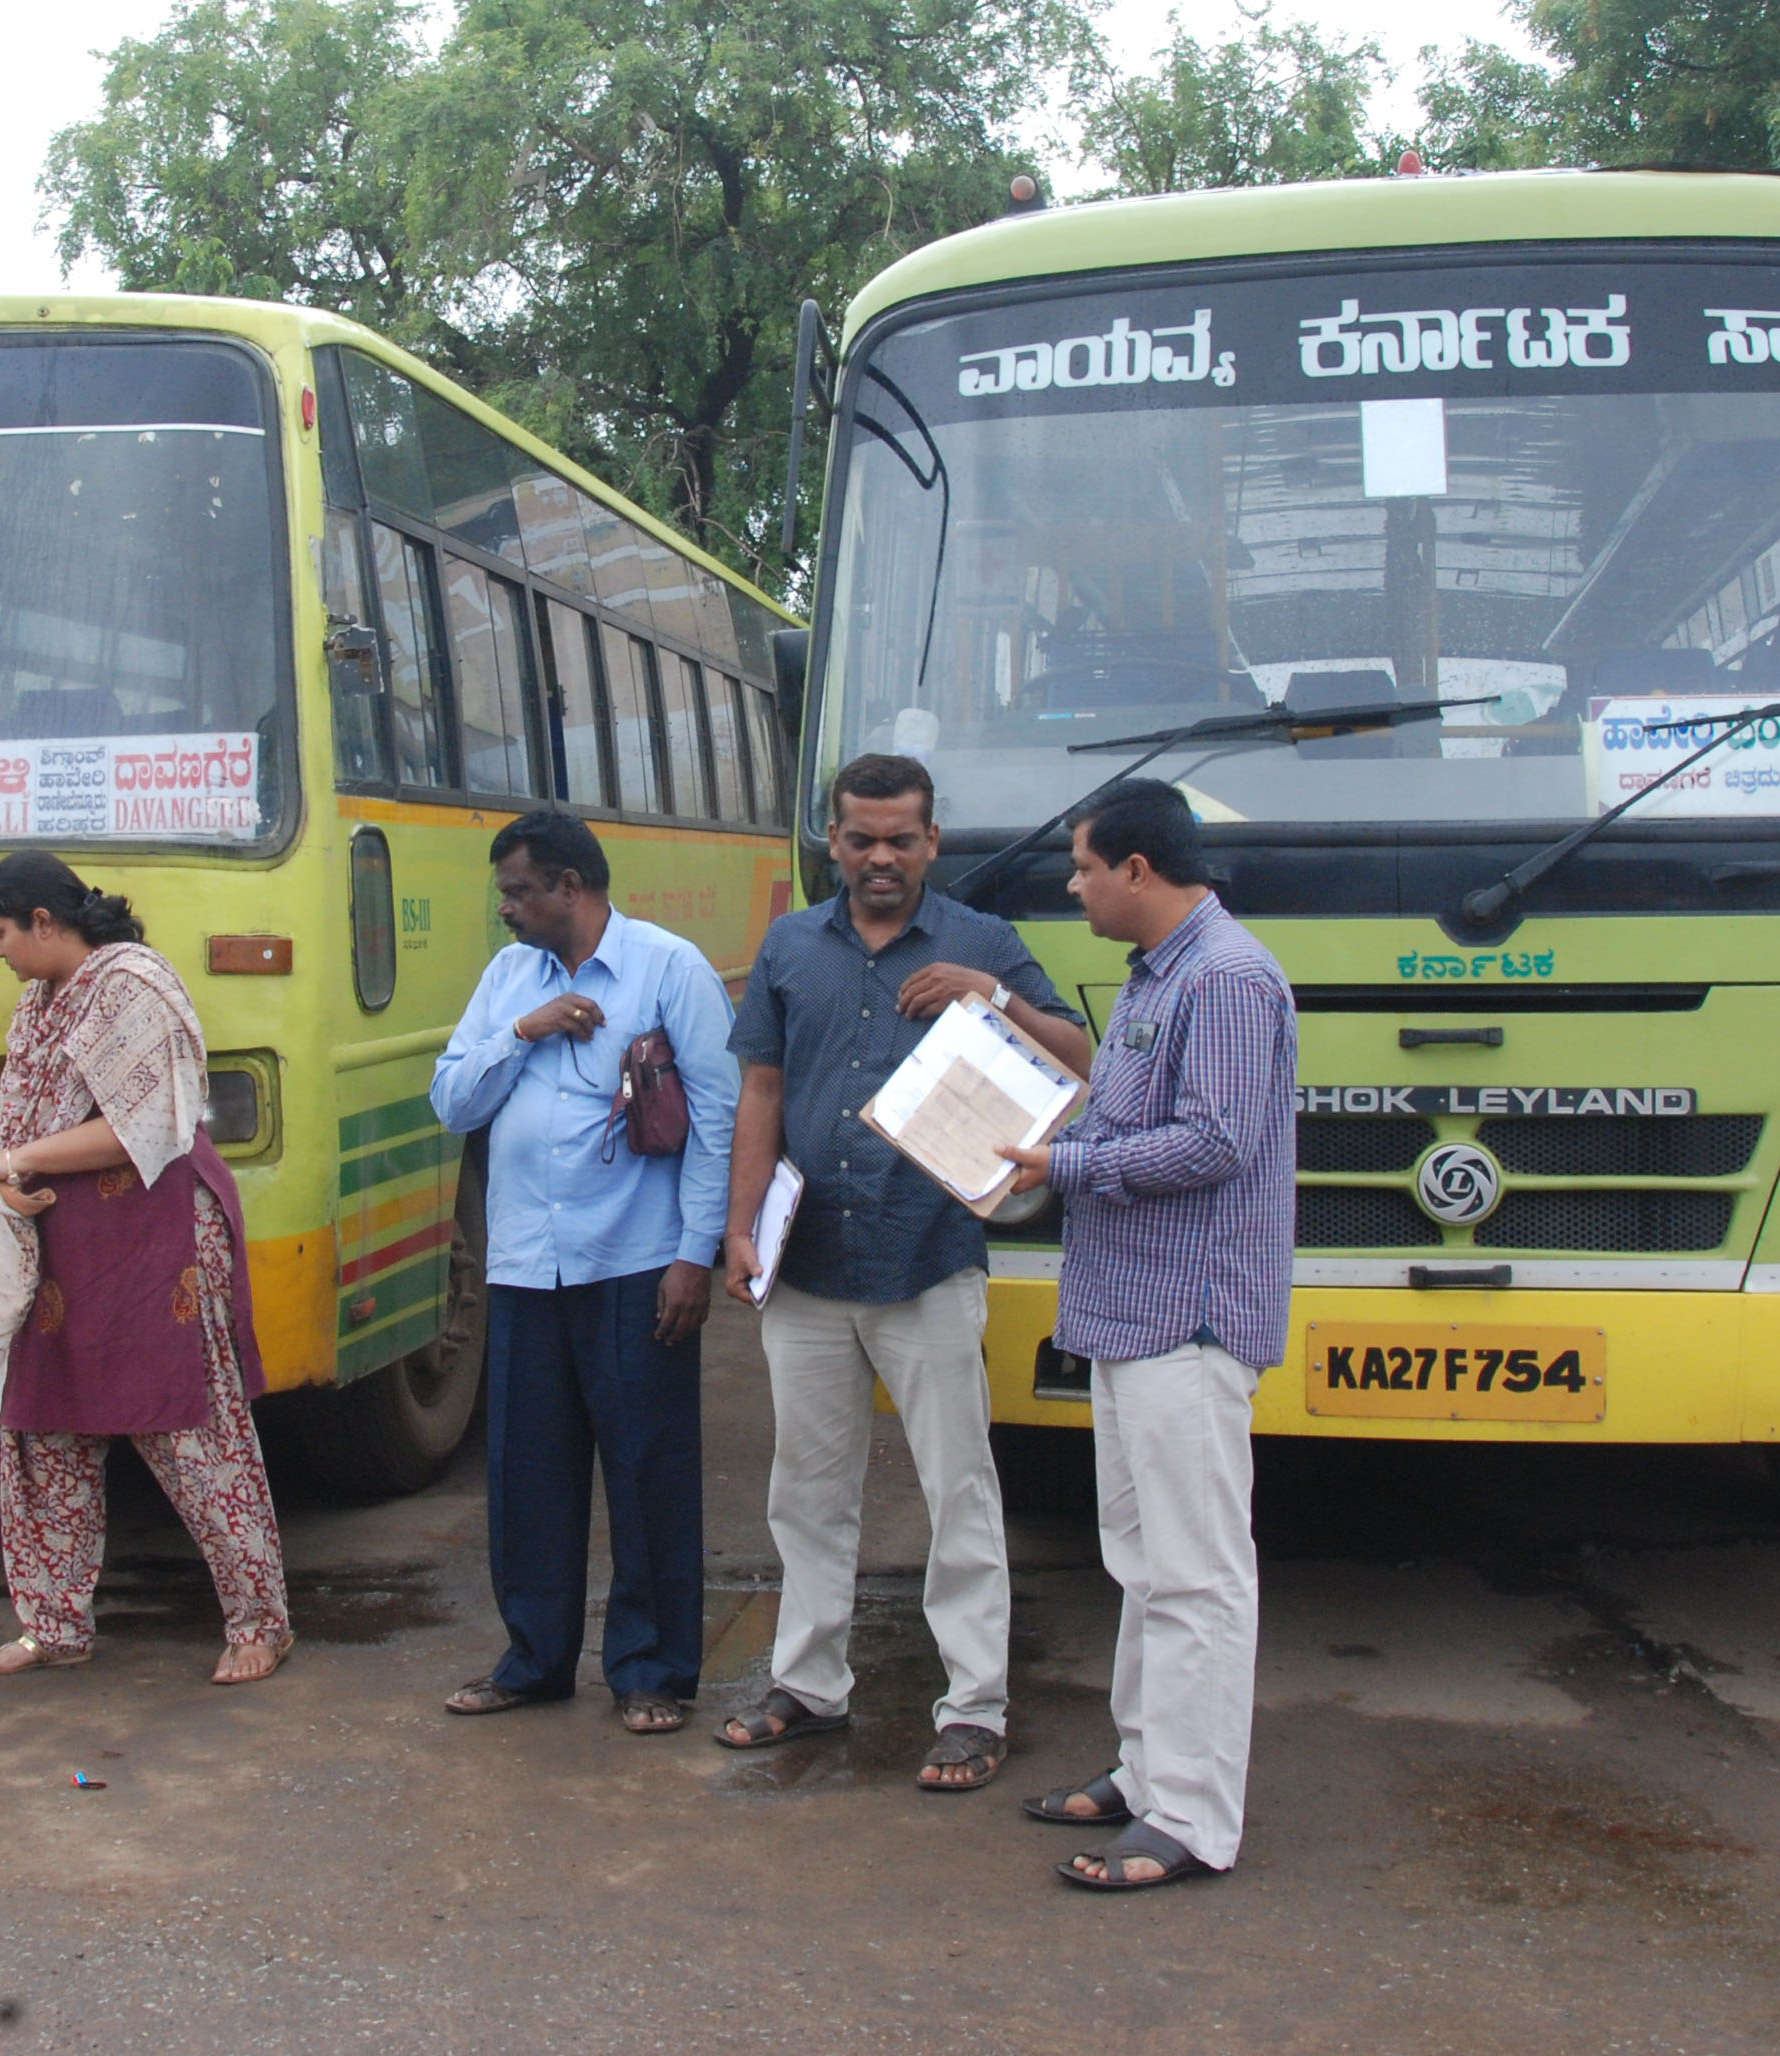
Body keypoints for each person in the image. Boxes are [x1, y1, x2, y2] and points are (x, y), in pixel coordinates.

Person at [716, 752, 1089, 1793]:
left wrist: (991, 1000)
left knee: (956, 1488)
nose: (879, 857)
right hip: (807, 1264)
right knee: (807, 1488)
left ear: (931, 843)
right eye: (860, 838)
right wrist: (738, 1228)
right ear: (831, 843)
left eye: (900, 839)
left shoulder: (982, 944)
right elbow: (759, 1091)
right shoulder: (791, 946)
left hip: (926, 1260)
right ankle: (806, 1686)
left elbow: (1081, 1062)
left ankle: (972, 1707)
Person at [988, 782, 1292, 1891]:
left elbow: (1212, 1142)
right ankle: (1145, 1768)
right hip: (1126, 1314)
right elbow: (1136, 1124)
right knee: (1141, 1561)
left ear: (1134, 869)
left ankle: (1193, 1818)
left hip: (1187, 1317)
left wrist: (1056, 1165)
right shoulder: (1160, 976)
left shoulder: (1224, 978)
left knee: (1197, 1573)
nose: (1071, 887)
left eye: (1080, 867)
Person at [430, 810, 737, 1735]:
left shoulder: (668, 969)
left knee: (647, 1469)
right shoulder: (508, 979)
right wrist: (524, 1029)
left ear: (571, 886)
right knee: (527, 1474)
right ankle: (535, 1660)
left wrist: (695, 1255)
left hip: (635, 1262)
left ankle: (651, 1671)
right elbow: (453, 1100)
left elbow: (717, 1121)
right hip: (526, 1264)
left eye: (519, 891)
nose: (507, 911)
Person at [0, 848, 290, 1687]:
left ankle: (260, 1622)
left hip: (154, 1236)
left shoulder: (132, 987)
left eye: (1, 932)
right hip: (67, 1240)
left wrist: (17, 1158)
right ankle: (52, 1625)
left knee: (190, 1431)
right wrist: (19, 1176)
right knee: (41, 1431)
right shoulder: (40, 1002)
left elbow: (149, 1127)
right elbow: (38, 1121)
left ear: (43, 921)